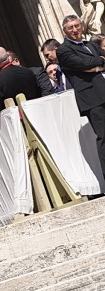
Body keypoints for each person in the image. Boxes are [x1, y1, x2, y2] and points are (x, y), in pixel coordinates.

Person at [56, 14, 105, 184]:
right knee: (103, 136)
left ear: (82, 26)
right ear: (65, 31)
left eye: (77, 26)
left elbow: (93, 63)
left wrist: (95, 65)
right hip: (91, 98)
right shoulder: (63, 50)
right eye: (71, 27)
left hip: (103, 91)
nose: (75, 30)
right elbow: (81, 64)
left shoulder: (91, 44)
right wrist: (97, 63)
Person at [0, 46, 41, 115]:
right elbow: (39, 92)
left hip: (16, 121)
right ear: (8, 56)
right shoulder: (27, 71)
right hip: (36, 114)